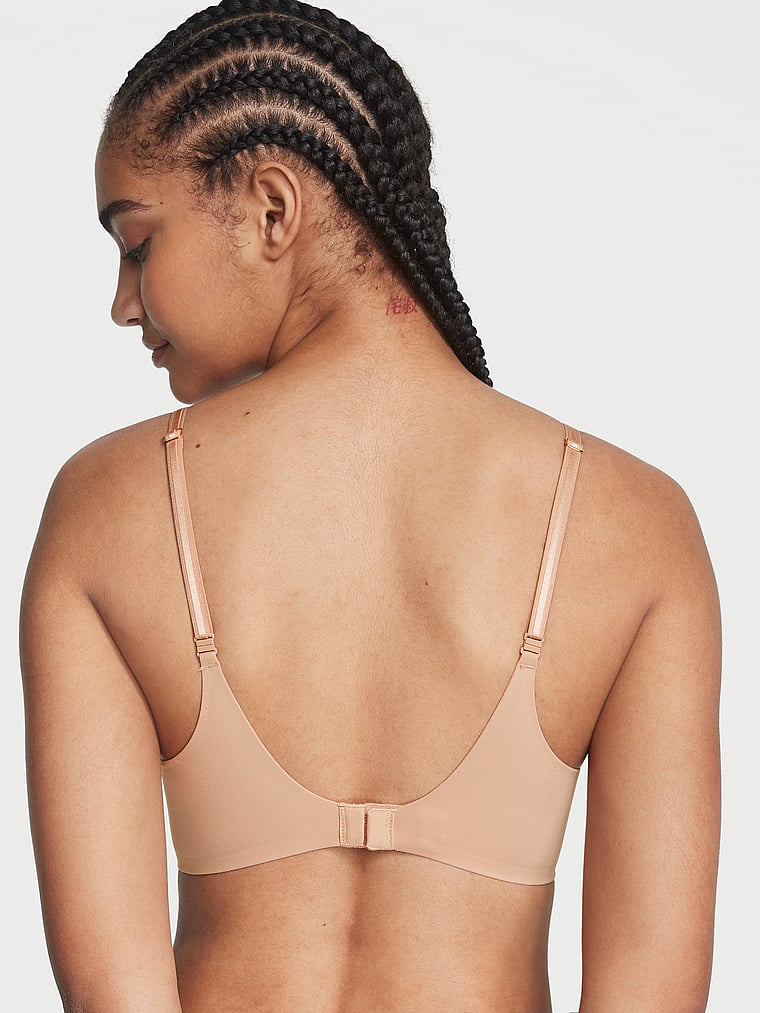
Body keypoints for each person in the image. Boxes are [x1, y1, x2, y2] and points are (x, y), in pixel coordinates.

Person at [19, 1, 721, 1010]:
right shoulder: (634, 527)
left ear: (272, 209)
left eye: (136, 244)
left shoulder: (108, 509)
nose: (123, 304)